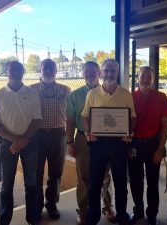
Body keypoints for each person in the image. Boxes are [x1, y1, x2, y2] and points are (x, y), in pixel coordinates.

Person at [81, 58, 136, 225]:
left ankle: (122, 215)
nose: (109, 73)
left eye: (113, 70)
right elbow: (85, 116)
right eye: (106, 70)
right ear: (101, 73)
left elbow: (132, 117)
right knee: (95, 182)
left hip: (119, 143)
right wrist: (88, 132)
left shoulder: (126, 94)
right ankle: (93, 216)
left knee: (120, 182)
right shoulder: (92, 94)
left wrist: (129, 132)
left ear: (117, 72)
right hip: (98, 143)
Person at [0, 61, 42, 225]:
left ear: (23, 72)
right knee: (6, 186)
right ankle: (4, 221)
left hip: (30, 143)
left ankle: (32, 219)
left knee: (31, 184)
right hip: (7, 145)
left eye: (19, 69)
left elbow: (37, 120)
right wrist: (16, 140)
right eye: (13, 69)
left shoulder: (32, 93)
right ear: (6, 71)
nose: (16, 72)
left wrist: (22, 140)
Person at [66, 61, 116, 225]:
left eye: (93, 71)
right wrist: (70, 142)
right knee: (84, 176)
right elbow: (71, 120)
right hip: (83, 138)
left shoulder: (108, 91)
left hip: (105, 139)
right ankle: (83, 210)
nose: (89, 74)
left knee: (105, 175)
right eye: (86, 72)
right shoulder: (75, 95)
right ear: (82, 74)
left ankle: (107, 206)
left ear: (99, 73)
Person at [128, 66, 167, 225]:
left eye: (149, 77)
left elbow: (165, 126)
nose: (146, 79)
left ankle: (152, 215)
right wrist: (127, 147)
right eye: (143, 76)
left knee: (153, 182)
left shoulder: (161, 97)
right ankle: (138, 212)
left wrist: (160, 149)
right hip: (134, 145)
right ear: (137, 78)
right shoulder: (130, 97)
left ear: (153, 79)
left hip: (153, 144)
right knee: (135, 181)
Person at [30, 59, 70, 221]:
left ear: (56, 70)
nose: (48, 70)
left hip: (58, 135)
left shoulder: (65, 90)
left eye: (51, 68)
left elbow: (71, 114)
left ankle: (51, 204)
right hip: (36, 136)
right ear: (40, 70)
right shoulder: (31, 90)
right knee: (36, 173)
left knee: (55, 173)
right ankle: (37, 205)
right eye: (45, 68)